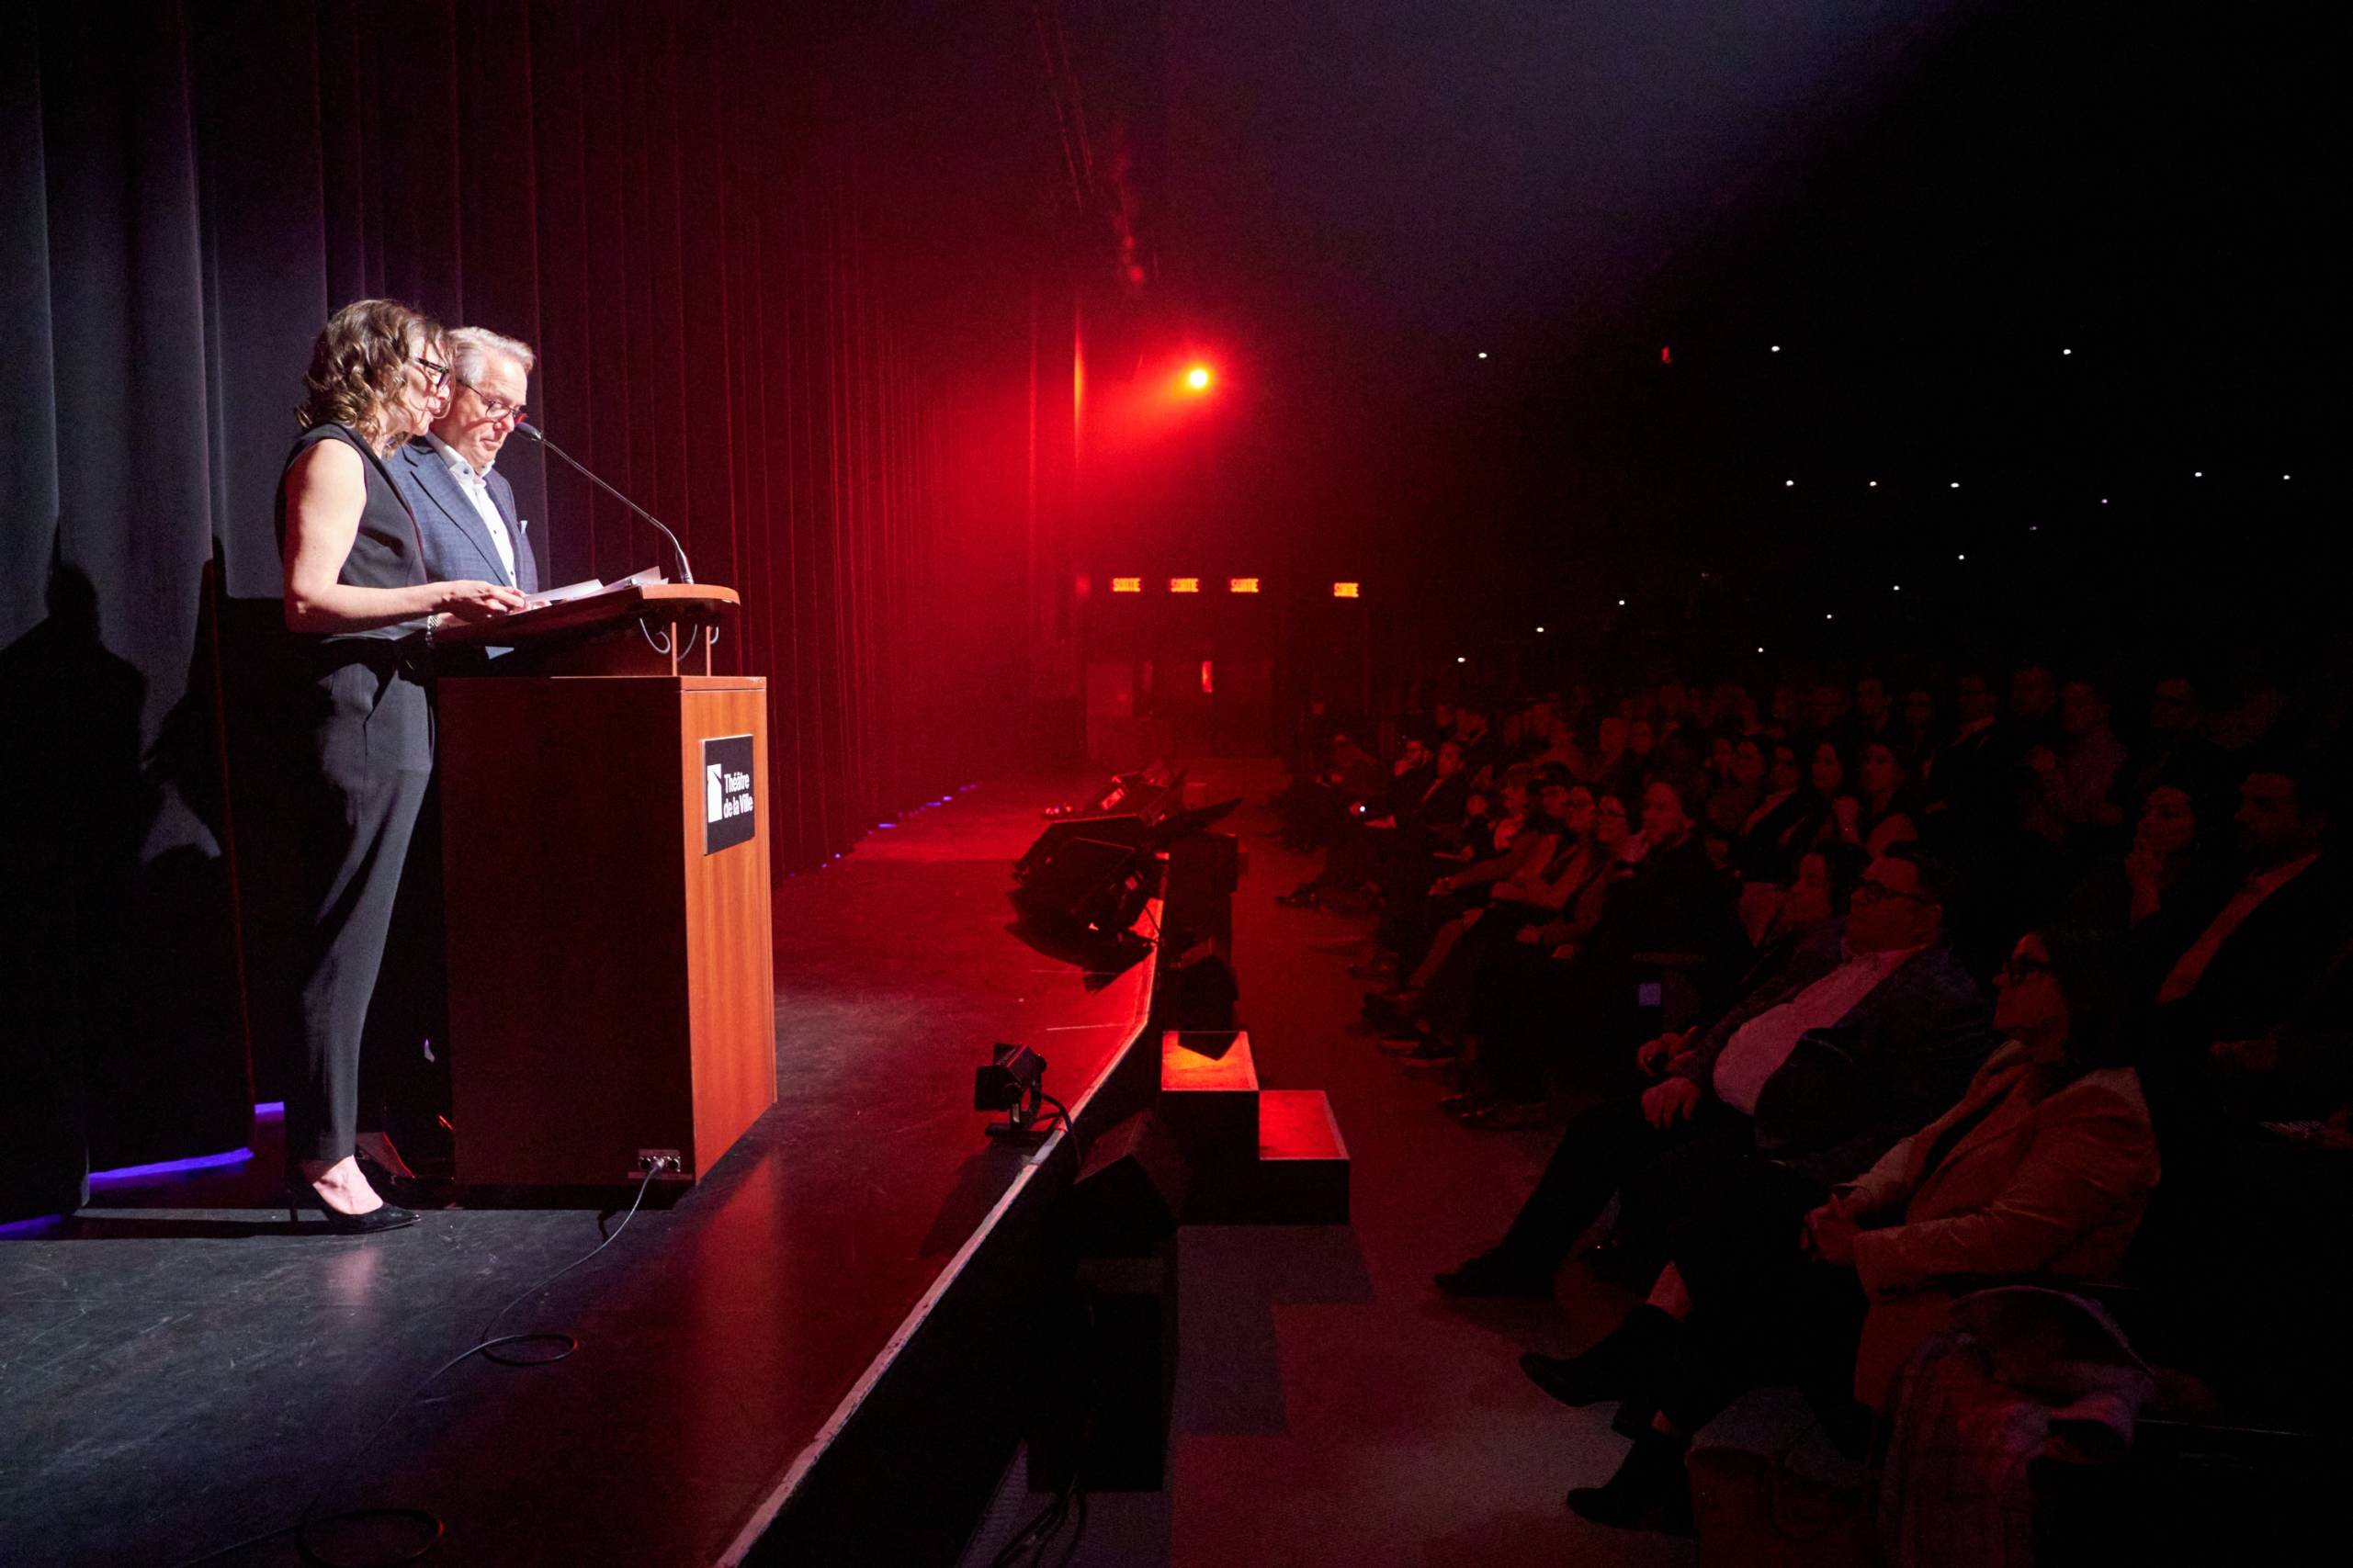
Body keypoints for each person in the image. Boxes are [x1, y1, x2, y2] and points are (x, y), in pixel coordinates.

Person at [1556, 926, 2157, 1531]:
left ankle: (1646, 1413)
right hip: (1923, 1260)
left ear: (2082, 991)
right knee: (1754, 1224)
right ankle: (1649, 1437)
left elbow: (2005, 1239)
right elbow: (1918, 1146)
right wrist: (1852, 1198)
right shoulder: (2017, 1061)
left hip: (1982, 1308)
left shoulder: (2101, 1113)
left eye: (2023, 967)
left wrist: (1863, 1247)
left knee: (1756, 1264)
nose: (2000, 977)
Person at [1435, 845, 1989, 1293]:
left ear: (1927, 917)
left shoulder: (1932, 995)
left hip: (1663, 992)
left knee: (1612, 1014)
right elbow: (1752, 1005)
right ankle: (1525, 1247)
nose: (1854, 900)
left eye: (1873, 892)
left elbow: (1903, 1112)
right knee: (1558, 1019)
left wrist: (1685, 1037)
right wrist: (1695, 1065)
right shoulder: (1822, 948)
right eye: (1856, 887)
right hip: (1637, 987)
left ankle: (1632, 1268)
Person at [277, 299, 526, 1231]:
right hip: (362, 726)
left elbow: (377, 601)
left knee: (377, 954)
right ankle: (321, 1159)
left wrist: (442, 617)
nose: (437, 389)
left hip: (398, 715)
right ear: (375, 369)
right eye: (426, 370)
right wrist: (448, 592)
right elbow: (305, 600)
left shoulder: (370, 462)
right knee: (343, 953)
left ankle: (358, 1138)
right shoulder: (336, 454)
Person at [389, 326, 541, 598]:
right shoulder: (392, 470)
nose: (507, 425)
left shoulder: (499, 486)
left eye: (515, 411)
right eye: (495, 404)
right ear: (447, 390)